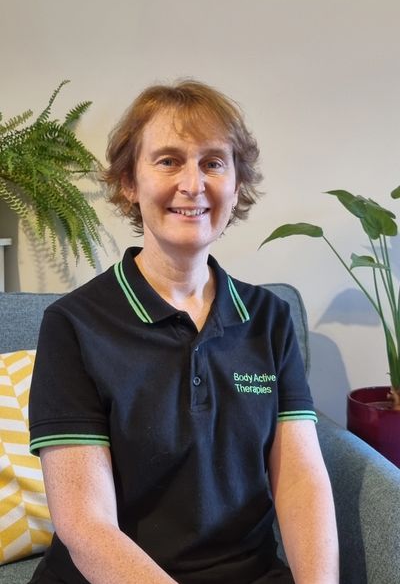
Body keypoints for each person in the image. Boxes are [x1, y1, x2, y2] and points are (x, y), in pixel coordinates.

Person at [28, 80, 339, 584]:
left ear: (236, 184)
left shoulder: (269, 318)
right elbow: (86, 525)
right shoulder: (74, 325)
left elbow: (301, 480)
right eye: (169, 161)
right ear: (129, 182)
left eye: (213, 163)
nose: (193, 184)